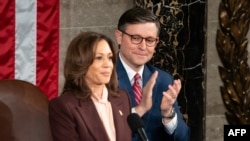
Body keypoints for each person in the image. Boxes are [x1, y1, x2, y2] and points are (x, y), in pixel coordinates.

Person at [115, 7, 190, 141]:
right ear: (119, 37)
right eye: (136, 38)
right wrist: (141, 108)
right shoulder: (102, 78)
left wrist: (168, 115)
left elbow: (183, 137)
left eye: (149, 40)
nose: (143, 47)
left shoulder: (163, 80)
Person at [49, 31, 132, 141]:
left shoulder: (122, 97)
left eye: (110, 57)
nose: (107, 64)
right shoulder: (64, 106)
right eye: (99, 58)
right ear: (81, 62)